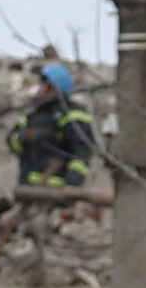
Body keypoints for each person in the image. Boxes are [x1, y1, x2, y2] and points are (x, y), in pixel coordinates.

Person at [8, 60, 97, 191]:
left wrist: (72, 184)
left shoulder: (73, 114)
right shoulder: (32, 116)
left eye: (45, 86)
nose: (39, 89)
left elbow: (81, 152)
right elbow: (13, 142)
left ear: (54, 88)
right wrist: (23, 138)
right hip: (28, 190)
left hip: (58, 192)